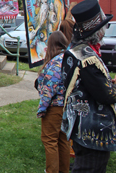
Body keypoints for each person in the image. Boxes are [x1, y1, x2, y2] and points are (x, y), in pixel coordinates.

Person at [61, 0, 116, 172]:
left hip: (82, 125)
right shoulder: (86, 57)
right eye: (104, 27)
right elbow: (106, 94)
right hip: (93, 130)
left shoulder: (76, 49)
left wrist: (108, 82)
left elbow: (88, 86)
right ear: (98, 31)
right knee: (89, 168)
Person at [36, 31, 70, 173]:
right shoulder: (68, 58)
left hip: (55, 107)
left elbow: (49, 88)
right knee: (62, 140)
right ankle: (64, 170)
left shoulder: (57, 61)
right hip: (67, 106)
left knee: (50, 141)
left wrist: (42, 108)